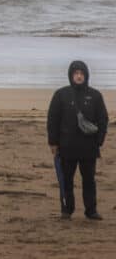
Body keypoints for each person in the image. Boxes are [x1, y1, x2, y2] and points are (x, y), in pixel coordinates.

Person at [47, 60, 108, 220]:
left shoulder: (95, 95)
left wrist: (99, 140)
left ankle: (91, 211)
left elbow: (103, 119)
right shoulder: (61, 94)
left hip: (89, 147)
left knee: (89, 181)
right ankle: (67, 210)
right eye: (76, 73)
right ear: (71, 75)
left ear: (86, 75)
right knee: (67, 180)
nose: (79, 76)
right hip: (66, 147)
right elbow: (52, 119)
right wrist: (53, 143)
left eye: (82, 73)